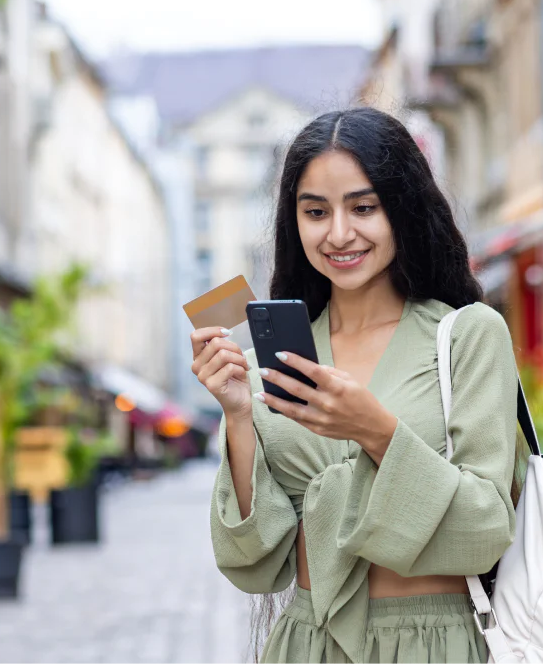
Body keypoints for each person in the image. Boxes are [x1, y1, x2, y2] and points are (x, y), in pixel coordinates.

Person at [190, 107, 523, 663]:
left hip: (434, 643)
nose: (339, 233)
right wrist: (239, 417)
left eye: (364, 207)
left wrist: (376, 431)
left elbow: (486, 529)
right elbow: (254, 562)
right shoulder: (272, 363)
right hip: (307, 644)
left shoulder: (466, 335)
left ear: (402, 208)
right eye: (315, 211)